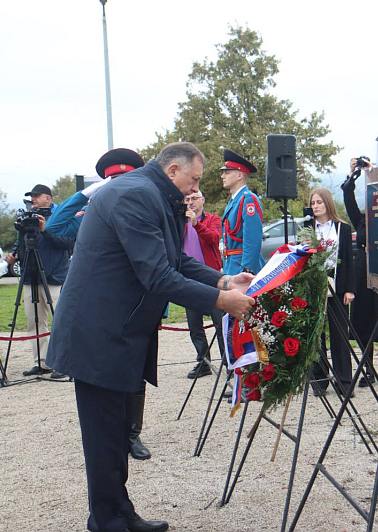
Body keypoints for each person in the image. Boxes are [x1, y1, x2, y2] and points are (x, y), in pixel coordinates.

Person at [46, 142, 255, 532]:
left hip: (117, 332)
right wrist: (223, 300)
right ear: (173, 170)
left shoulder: (152, 194)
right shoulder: (136, 196)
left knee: (117, 432)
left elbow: (175, 260)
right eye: (193, 180)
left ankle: (119, 513)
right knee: (104, 436)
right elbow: (157, 275)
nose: (195, 190)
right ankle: (107, 521)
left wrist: (222, 278)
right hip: (98, 335)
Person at [46, 148, 156, 460]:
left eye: (124, 178)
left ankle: (132, 434)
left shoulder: (142, 209)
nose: (118, 185)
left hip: (138, 303)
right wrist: (84, 194)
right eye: (111, 180)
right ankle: (113, 434)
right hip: (102, 309)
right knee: (105, 376)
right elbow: (55, 228)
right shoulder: (91, 212)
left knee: (137, 370)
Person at [341, 160, 378, 387]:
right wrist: (354, 174)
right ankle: (368, 369)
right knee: (363, 321)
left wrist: (376, 171)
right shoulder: (362, 220)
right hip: (362, 273)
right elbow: (348, 198)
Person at [5, 184, 74, 378]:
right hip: (30, 276)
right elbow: (20, 243)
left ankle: (63, 362)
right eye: (31, 197)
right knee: (34, 321)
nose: (33, 199)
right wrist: (13, 254)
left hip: (53, 276)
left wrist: (45, 231)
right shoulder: (27, 218)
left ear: (48, 198)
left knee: (58, 320)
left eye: (37, 196)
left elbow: (68, 243)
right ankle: (41, 362)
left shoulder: (62, 215)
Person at [305, 187, 355, 397]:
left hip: (337, 283)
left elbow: (349, 260)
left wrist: (350, 289)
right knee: (316, 334)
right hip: (315, 283)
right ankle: (319, 380)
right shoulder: (307, 227)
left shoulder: (342, 228)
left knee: (339, 333)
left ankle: (344, 381)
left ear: (327, 203)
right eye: (313, 203)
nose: (316, 206)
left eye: (319, 202)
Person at [181, 190, 226, 378]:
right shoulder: (180, 222)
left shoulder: (213, 219)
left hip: (211, 278)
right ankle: (203, 361)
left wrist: (196, 224)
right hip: (189, 280)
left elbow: (214, 239)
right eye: (187, 199)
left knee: (220, 323)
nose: (190, 202)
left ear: (202, 200)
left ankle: (229, 362)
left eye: (194, 199)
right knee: (194, 325)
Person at [219, 149, 265, 275]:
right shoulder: (235, 200)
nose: (222, 176)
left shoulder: (248, 199)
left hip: (241, 268)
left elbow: (252, 240)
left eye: (227, 172)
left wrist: (247, 270)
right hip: (231, 265)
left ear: (239, 175)